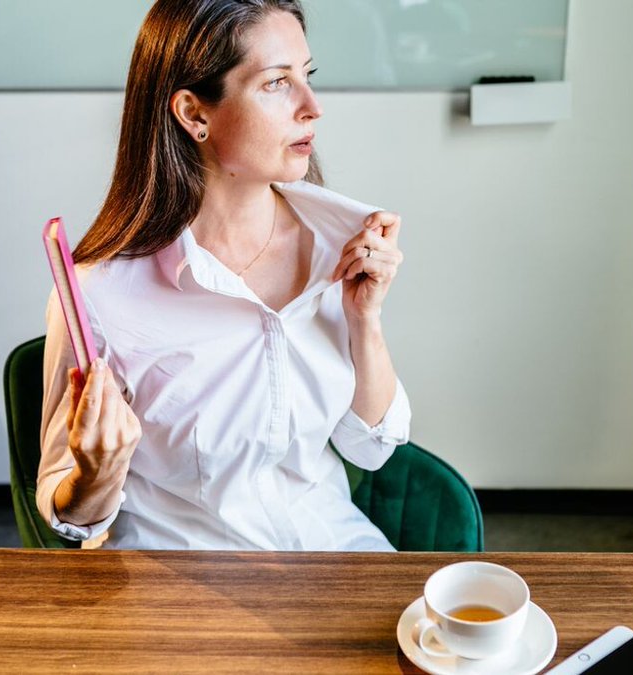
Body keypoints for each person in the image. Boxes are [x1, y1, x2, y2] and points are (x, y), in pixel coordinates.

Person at [37, 0, 410, 550]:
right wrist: (94, 474)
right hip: (183, 587)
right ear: (194, 114)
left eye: (306, 76)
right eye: (276, 84)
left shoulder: (342, 243)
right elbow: (70, 514)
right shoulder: (102, 293)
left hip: (333, 555)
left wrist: (365, 321)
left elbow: (370, 448)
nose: (312, 107)